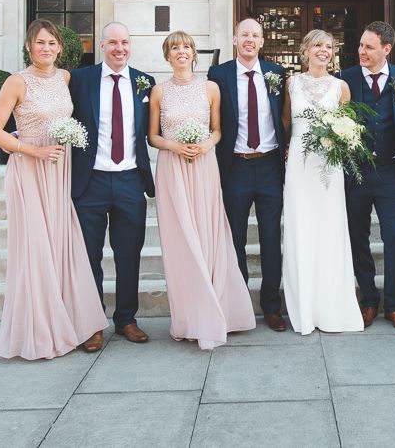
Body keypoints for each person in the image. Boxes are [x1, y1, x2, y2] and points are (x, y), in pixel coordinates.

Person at [0, 19, 107, 359]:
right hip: (29, 170)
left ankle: (70, 319)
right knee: (35, 248)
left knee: (61, 245)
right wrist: (32, 150)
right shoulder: (16, 82)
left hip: (60, 172)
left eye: (52, 43)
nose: (46, 48)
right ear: (29, 46)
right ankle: (38, 329)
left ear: (60, 48)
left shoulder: (66, 78)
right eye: (40, 43)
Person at [148, 31, 256, 348]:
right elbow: (152, 135)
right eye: (175, 48)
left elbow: (219, 130)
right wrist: (174, 146)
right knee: (182, 241)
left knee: (209, 238)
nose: (181, 52)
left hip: (205, 166)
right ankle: (189, 317)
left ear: (194, 54)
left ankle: (218, 309)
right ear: (167, 55)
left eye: (187, 47)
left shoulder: (210, 88)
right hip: (172, 168)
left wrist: (205, 144)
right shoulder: (158, 92)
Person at [69, 22, 155, 350]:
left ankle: (126, 319)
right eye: (113, 42)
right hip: (90, 181)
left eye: (125, 42)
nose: (120, 48)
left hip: (130, 179)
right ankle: (92, 323)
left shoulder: (144, 82)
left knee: (128, 254)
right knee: (89, 255)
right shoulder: (80, 79)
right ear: (102, 45)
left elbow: (154, 127)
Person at [282, 30, 364, 335]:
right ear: (306, 50)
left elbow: (347, 125)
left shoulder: (341, 87)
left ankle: (332, 307)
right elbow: (286, 121)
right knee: (300, 229)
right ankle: (304, 309)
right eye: (318, 45)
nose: (323, 51)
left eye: (328, 46)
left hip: (329, 168)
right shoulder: (292, 83)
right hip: (299, 169)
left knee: (330, 232)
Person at [208, 18, 287, 331]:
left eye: (255, 35)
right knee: (235, 239)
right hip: (236, 166)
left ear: (263, 41)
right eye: (244, 35)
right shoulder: (219, 74)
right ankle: (238, 304)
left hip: (269, 165)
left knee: (270, 239)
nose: (249, 40)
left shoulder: (276, 74)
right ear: (234, 39)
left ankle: (271, 307)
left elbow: (284, 117)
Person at [340, 21, 395, 331]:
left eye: (369, 47)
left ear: (386, 49)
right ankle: (369, 299)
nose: (361, 51)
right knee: (357, 237)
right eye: (360, 45)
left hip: (389, 170)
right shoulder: (346, 78)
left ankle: (394, 304)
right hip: (356, 171)